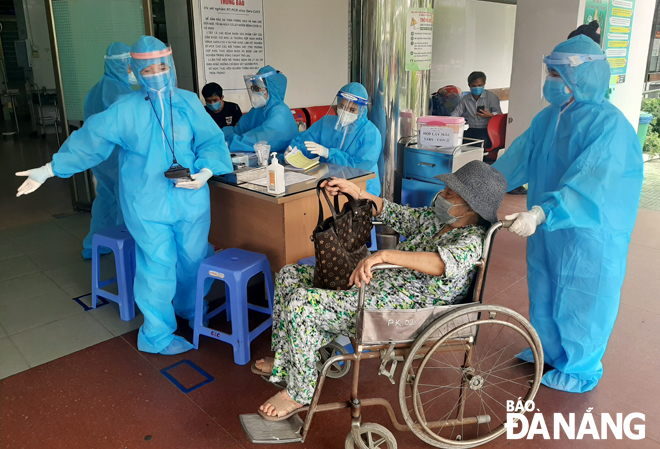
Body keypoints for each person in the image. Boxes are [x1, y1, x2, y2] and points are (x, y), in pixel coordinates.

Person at [15, 36, 233, 356]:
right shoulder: (124, 110)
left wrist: (207, 171)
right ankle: (157, 334)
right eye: (148, 69)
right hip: (146, 202)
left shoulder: (187, 103)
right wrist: (49, 170)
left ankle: (189, 307)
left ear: (170, 65)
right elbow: (90, 141)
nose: (156, 74)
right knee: (157, 266)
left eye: (161, 66)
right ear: (136, 70)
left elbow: (211, 142)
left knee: (193, 258)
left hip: (191, 199)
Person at [252, 161, 508, 420]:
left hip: (403, 309)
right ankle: (288, 363)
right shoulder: (436, 220)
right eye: (445, 189)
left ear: (470, 206)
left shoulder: (471, 239)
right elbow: (396, 213)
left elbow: (441, 263)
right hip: (379, 284)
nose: (442, 194)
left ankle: (299, 392)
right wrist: (357, 193)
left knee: (302, 304)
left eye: (450, 193)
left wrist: (384, 256)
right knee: (288, 275)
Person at [494, 35, 644, 393]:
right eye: (550, 72)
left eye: (557, 73)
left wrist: (543, 213)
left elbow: (591, 184)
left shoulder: (610, 127)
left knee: (582, 295)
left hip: (589, 232)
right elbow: (517, 159)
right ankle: (547, 349)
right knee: (544, 286)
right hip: (547, 226)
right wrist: (474, 188)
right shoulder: (549, 118)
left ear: (581, 76)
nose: (551, 80)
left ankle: (580, 368)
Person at [80, 42, 135, 259]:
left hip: (101, 158)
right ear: (123, 64)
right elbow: (130, 129)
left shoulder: (97, 89)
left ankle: (93, 246)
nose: (133, 71)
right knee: (125, 201)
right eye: (131, 65)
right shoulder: (119, 92)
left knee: (105, 198)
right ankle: (126, 247)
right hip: (118, 157)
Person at [287, 82, 382, 196]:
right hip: (330, 186)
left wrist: (329, 153)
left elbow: (360, 167)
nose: (345, 112)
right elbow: (305, 142)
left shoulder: (370, 133)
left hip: (360, 189)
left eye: (352, 110)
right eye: (342, 106)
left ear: (362, 110)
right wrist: (293, 153)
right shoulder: (327, 123)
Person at [222, 65, 298, 153]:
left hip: (280, 160)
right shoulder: (258, 110)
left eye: (257, 89)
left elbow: (259, 140)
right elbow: (239, 129)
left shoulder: (280, 113)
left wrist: (228, 144)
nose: (254, 92)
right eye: (253, 88)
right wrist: (218, 135)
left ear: (270, 90)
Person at [451, 71, 502, 148]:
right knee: (455, 140)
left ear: (484, 83)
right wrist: (450, 122)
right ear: (469, 85)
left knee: (479, 143)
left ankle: (479, 159)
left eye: (480, 85)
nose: (477, 88)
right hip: (472, 129)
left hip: (487, 130)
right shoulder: (465, 99)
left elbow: (499, 115)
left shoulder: (491, 97)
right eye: (474, 86)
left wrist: (490, 115)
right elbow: (456, 113)